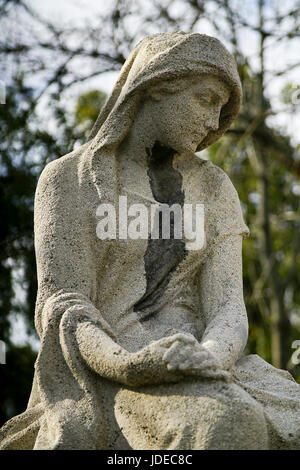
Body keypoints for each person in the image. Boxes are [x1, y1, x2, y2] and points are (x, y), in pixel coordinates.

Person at [1, 32, 300, 450]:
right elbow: (62, 305)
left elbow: (228, 306)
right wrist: (127, 365)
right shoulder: (68, 180)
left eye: (221, 108)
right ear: (157, 84)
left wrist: (207, 359)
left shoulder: (215, 187)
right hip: (107, 372)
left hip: (203, 363)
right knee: (228, 421)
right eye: (205, 99)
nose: (214, 123)